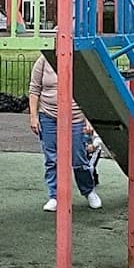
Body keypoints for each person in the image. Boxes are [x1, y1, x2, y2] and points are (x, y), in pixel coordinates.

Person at [28, 55, 100, 211]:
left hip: (75, 117)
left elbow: (89, 91)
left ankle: (88, 190)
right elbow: (34, 90)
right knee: (52, 158)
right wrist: (33, 117)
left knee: (78, 157)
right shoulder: (43, 61)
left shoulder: (80, 61)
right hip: (49, 115)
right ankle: (55, 196)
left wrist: (88, 119)